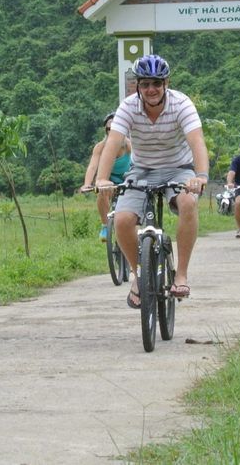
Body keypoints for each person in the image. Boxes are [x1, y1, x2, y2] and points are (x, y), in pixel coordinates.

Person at [94, 54, 210, 307]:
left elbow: (196, 141)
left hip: (179, 168)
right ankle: (138, 275)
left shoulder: (182, 104)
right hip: (142, 169)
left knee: (188, 203)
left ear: (166, 82)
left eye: (156, 83)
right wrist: (102, 178)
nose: (151, 90)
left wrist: (200, 176)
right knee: (122, 220)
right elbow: (113, 143)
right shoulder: (128, 107)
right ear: (137, 85)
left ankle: (181, 274)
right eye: (145, 84)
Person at [81, 112, 132, 241]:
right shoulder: (100, 147)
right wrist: (87, 184)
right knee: (101, 193)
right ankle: (105, 225)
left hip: (127, 179)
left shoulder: (128, 146)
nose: (112, 132)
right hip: (110, 180)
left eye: (115, 128)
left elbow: (139, 160)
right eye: (109, 129)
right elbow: (93, 166)